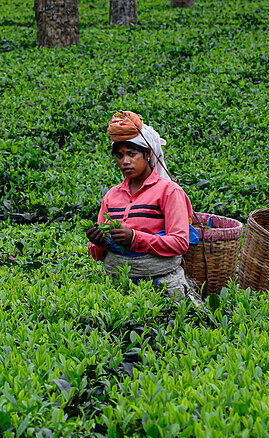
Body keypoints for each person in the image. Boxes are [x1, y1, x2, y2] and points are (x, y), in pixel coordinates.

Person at [85, 111, 200, 302]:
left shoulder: (169, 192)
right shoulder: (111, 196)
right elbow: (97, 255)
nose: (125, 162)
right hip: (115, 287)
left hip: (162, 286)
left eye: (132, 154)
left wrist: (135, 239)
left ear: (147, 154)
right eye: (120, 156)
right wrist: (98, 242)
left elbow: (180, 243)